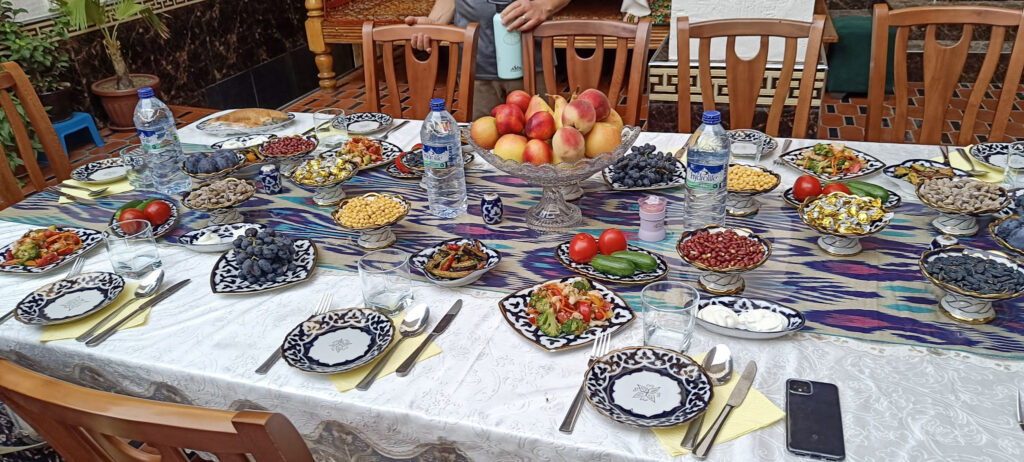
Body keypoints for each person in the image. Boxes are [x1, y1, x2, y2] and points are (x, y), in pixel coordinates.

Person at [405, 0, 572, 119]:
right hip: (474, 64)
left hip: (532, 62)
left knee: (539, 141)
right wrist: (435, 24)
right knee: (482, 147)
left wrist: (543, 5)